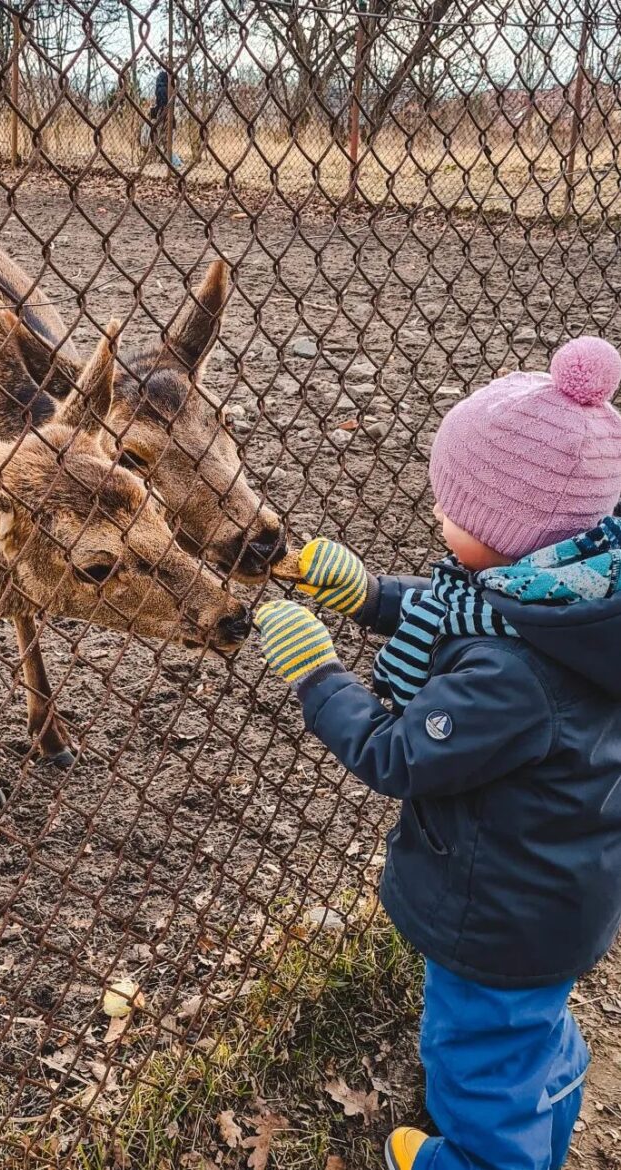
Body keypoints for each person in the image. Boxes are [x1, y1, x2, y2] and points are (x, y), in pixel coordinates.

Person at [254, 337, 621, 1170]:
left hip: (497, 916)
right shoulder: (570, 601)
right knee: (529, 1036)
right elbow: (464, 605)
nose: (437, 518)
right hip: (557, 894)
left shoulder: (511, 679)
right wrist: (372, 596)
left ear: (505, 533)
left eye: (451, 509)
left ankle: (486, 1161)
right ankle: (546, 1125)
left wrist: (320, 676)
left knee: (475, 1056)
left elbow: (396, 754)